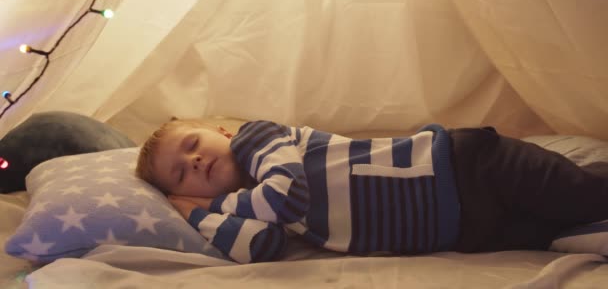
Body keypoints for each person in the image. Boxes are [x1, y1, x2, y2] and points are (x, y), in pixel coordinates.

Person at [135, 119, 608, 264]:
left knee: (583, 194)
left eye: (194, 145)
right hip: (469, 229)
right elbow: (261, 248)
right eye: (182, 174)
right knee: (565, 232)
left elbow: (287, 197)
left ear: (220, 129)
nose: (195, 161)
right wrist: (192, 215)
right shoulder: (255, 209)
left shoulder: (260, 139)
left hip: (470, 167)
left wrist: (207, 201)